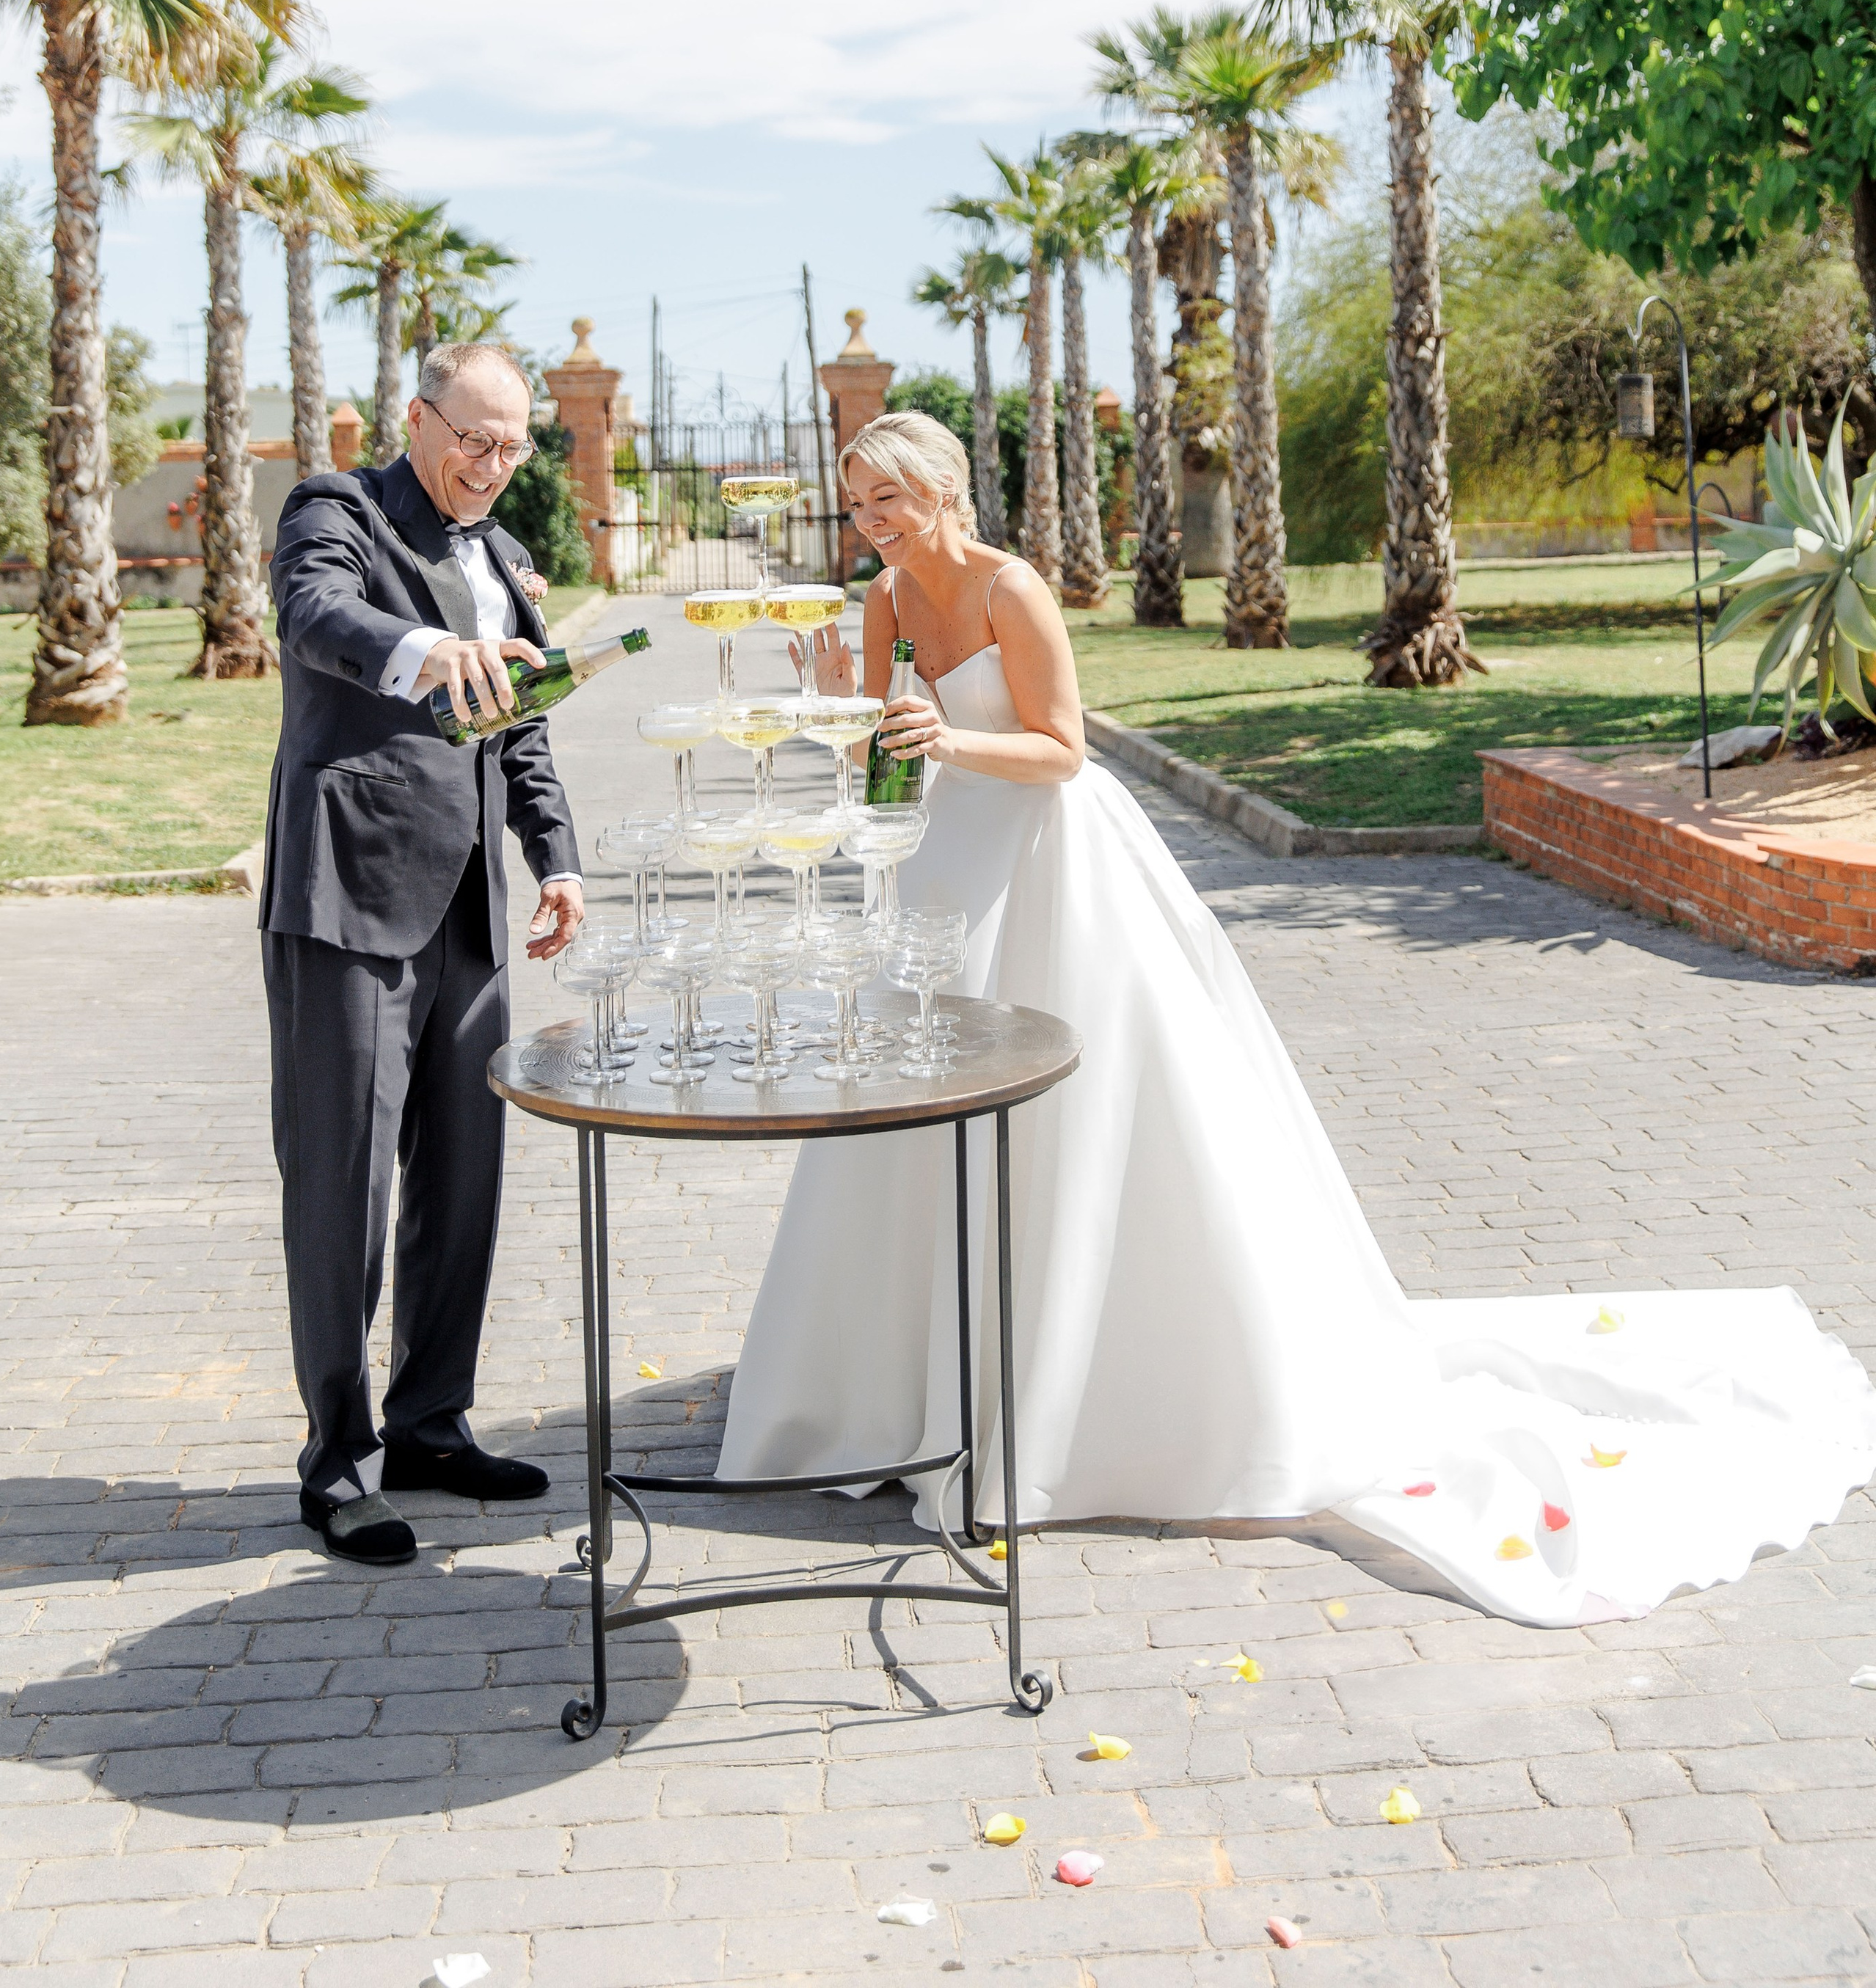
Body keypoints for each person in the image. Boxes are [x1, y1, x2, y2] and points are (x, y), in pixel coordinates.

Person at [718, 410, 1876, 1627]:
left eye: (886, 502)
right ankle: (906, 1381)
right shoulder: (888, 598)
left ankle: (1073, 1384)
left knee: (1082, 1105)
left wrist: (951, 735)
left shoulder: (1014, 590)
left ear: (942, 490)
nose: (870, 527)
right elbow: (871, 748)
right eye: (856, 508)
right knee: (924, 1097)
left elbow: (1063, 752)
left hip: (1050, 857)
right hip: (948, 864)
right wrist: (837, 698)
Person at [261, 340, 585, 1565]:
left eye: (513, 448)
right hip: (346, 894)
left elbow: (528, 727)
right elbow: (314, 615)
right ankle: (338, 1463)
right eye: (474, 441)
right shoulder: (337, 510)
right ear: (417, 419)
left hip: (470, 909)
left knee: (464, 1178)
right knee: (343, 1182)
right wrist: (419, 651)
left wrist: (554, 859)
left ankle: (432, 1426)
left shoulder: (504, 557)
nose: (493, 467)